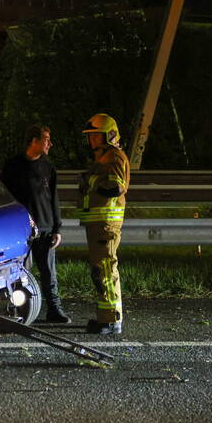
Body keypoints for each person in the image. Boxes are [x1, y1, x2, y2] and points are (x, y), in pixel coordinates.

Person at [0, 124, 70, 324]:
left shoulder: (48, 168)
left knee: (49, 273)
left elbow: (54, 199)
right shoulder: (13, 166)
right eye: (46, 139)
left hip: (45, 228)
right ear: (34, 141)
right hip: (20, 230)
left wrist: (57, 228)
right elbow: (5, 197)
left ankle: (54, 309)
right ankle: (20, 308)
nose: (50, 143)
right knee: (19, 272)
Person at [78, 113, 131, 335]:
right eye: (90, 136)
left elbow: (116, 187)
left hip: (106, 225)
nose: (91, 140)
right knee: (101, 271)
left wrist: (94, 185)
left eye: (95, 136)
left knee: (106, 270)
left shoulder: (115, 157)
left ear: (108, 135)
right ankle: (105, 317)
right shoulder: (102, 159)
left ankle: (111, 320)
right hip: (98, 224)